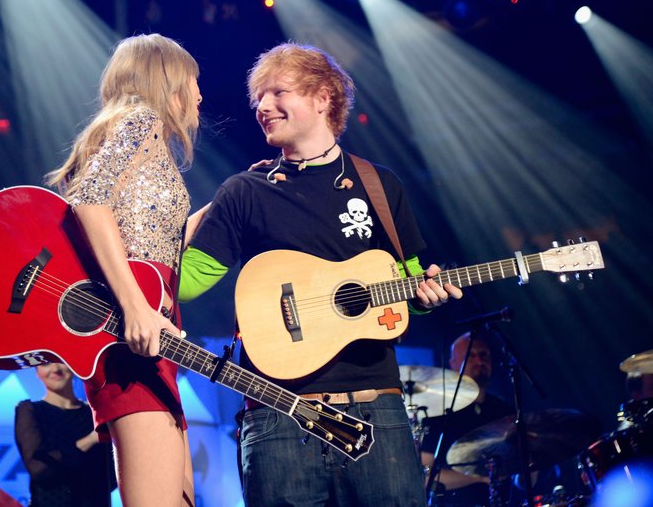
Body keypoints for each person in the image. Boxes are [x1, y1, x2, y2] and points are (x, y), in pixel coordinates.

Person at [179, 42, 463, 506]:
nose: (263, 107)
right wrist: (165, 233)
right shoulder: (244, 191)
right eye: (258, 99)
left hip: (378, 410)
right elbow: (186, 284)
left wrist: (424, 294)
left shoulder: (380, 184)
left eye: (277, 93)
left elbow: (405, 285)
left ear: (323, 97)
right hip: (277, 416)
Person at [45, 33, 203, 507]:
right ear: (168, 81)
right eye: (194, 82)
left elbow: (149, 240)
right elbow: (88, 201)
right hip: (132, 337)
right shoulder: (142, 122)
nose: (199, 96)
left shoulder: (138, 133)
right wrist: (135, 306)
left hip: (151, 332)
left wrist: (235, 201)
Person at [420, 332, 513, 506]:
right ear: (453, 364)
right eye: (470, 355)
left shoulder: (504, 410)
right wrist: (480, 478)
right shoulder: (438, 410)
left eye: (484, 355)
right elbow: (424, 476)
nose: (479, 361)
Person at [15, 363, 115, 507]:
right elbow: (38, 468)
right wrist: (90, 440)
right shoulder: (30, 411)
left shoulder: (95, 413)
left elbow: (112, 476)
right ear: (37, 372)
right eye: (46, 364)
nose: (55, 369)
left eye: (60, 362)